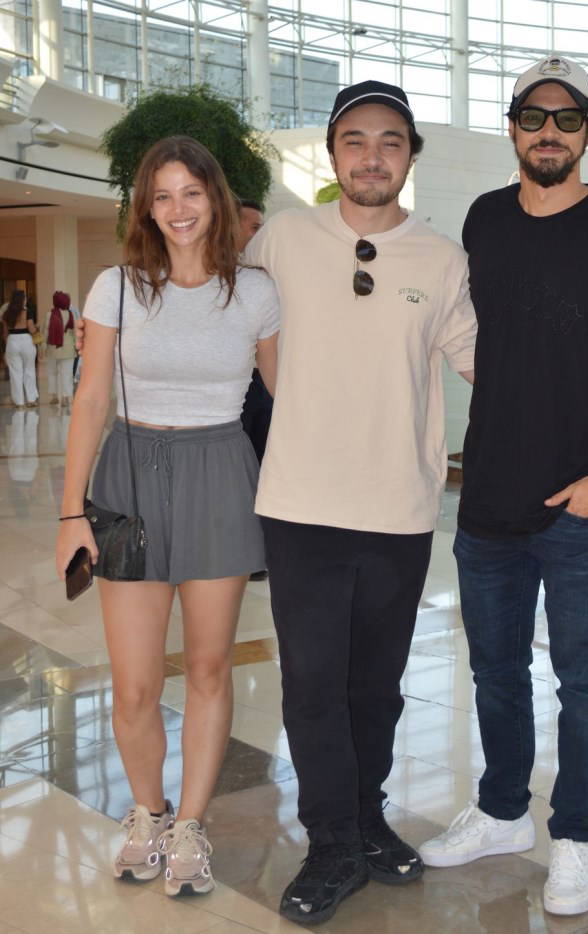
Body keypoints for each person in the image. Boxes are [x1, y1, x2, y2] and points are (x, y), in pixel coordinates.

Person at [418, 55, 588, 917]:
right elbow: (476, 334)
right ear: (512, 128)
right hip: (488, 500)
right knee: (495, 672)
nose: (549, 132)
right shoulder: (484, 219)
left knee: (585, 679)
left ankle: (573, 836)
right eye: (534, 117)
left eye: (567, 119)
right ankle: (504, 812)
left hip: (582, 509)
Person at [243, 81, 477, 925]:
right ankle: (332, 842)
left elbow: (483, 360)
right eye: (355, 140)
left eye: (389, 141)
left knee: (376, 686)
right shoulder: (282, 238)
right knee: (313, 685)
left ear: (410, 156)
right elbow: (242, 332)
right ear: (334, 153)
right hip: (301, 504)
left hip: (398, 508)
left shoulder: (441, 259)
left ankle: (367, 817)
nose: (371, 156)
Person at [56, 135, 279, 898]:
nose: (178, 209)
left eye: (191, 192)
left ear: (215, 198)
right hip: (129, 477)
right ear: (145, 208)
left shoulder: (255, 293)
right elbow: (91, 400)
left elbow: (286, 395)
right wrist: (70, 513)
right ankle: (147, 814)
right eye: (162, 196)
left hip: (219, 472)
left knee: (211, 668)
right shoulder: (116, 288)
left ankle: (189, 825)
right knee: (134, 684)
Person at [236, 199, 273, 581]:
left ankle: (259, 553)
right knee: (240, 469)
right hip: (236, 389)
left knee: (263, 464)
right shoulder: (212, 276)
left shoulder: (266, 276)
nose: (259, 234)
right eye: (253, 226)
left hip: (265, 382)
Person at [2, 290, 39, 408]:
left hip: (12, 341)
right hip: (26, 340)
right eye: (25, 298)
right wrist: (37, 328)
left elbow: (5, 334)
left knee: (15, 373)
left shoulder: (6, 313)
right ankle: (31, 399)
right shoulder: (27, 312)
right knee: (29, 370)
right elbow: (31, 329)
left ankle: (19, 402)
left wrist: (8, 347)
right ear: (22, 299)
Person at [43, 291, 77, 405]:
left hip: (53, 348)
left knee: (52, 372)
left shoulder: (50, 314)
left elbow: (46, 331)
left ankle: (54, 397)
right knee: (67, 374)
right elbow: (74, 332)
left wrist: (43, 346)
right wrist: (77, 345)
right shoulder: (71, 314)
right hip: (68, 349)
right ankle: (65, 398)